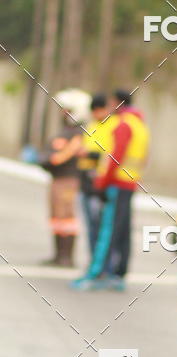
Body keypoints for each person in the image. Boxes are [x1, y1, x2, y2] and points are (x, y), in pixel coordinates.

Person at [72, 89, 150, 291]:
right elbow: (145, 157)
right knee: (122, 230)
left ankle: (97, 274)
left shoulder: (123, 124)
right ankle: (118, 274)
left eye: (111, 102)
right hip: (130, 182)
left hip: (117, 183)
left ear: (118, 102)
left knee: (109, 231)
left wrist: (103, 182)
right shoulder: (140, 124)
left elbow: (116, 157)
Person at [38, 89, 89, 266]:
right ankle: (58, 255)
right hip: (57, 179)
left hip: (68, 180)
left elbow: (60, 156)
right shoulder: (66, 132)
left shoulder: (77, 134)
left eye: (66, 109)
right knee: (57, 217)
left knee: (66, 217)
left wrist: (49, 159)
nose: (62, 112)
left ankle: (66, 257)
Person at [77, 93, 113, 256]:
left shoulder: (112, 126)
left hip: (99, 182)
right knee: (90, 224)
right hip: (85, 180)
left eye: (99, 110)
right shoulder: (91, 124)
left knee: (99, 224)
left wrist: (89, 154)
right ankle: (93, 261)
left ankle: (101, 263)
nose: (96, 114)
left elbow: (108, 154)